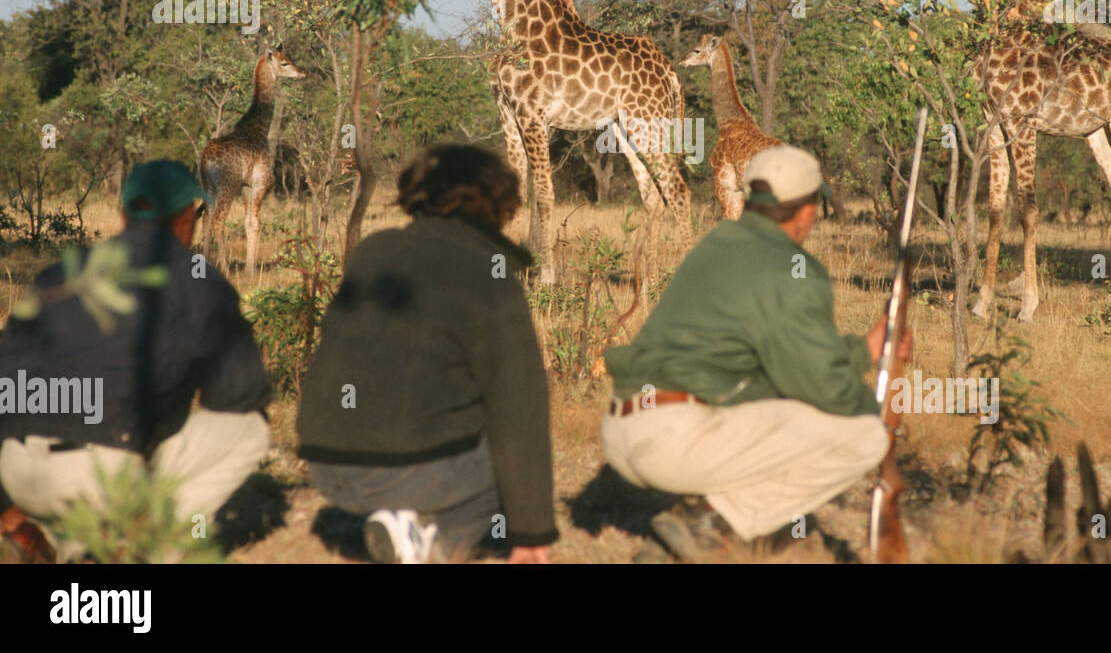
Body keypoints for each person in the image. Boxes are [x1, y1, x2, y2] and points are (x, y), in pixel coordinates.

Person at [601, 144, 912, 560]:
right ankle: (711, 522)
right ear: (806, 211)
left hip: (622, 434)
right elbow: (823, 388)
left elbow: (775, 359)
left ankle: (680, 547)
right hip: (673, 442)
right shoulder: (792, 268)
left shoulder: (717, 243)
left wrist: (865, 352)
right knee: (862, 437)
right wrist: (879, 424)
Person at [296, 144, 557, 564]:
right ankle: (418, 532)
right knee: (504, 461)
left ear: (415, 193)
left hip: (328, 466)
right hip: (410, 468)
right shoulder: (490, 269)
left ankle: (385, 515)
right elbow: (518, 409)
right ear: (499, 201)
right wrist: (530, 530)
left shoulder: (374, 250)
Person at [0, 160, 272, 561]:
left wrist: (6, 502)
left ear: (123, 213)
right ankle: (145, 547)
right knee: (250, 429)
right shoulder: (198, 281)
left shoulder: (59, 275)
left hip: (18, 468)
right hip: (105, 473)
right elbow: (241, 395)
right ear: (186, 218)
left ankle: (66, 543)